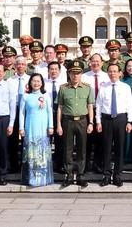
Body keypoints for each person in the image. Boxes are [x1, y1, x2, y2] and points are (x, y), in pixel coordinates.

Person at [56, 59, 94, 188]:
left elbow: (90, 106)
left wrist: (91, 123)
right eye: (73, 73)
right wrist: (59, 125)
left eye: (77, 73)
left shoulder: (87, 88)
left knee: (82, 149)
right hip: (67, 121)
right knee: (67, 149)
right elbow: (60, 108)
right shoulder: (63, 89)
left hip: (82, 121)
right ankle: (69, 175)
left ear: (81, 73)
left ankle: (80, 175)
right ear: (69, 73)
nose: (75, 75)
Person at [96, 63, 132, 187]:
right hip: (106, 120)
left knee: (120, 148)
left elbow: (130, 105)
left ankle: (117, 175)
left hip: (121, 119)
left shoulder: (125, 87)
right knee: (106, 148)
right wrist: (98, 121)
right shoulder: (104, 87)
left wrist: (129, 121)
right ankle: (106, 175)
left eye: (115, 71)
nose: (112, 74)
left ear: (120, 73)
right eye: (110, 71)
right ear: (107, 73)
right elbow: (99, 106)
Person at [18, 73, 54, 187]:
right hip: (30, 127)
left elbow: (49, 112)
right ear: (30, 82)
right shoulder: (25, 96)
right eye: (34, 81)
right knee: (31, 153)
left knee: (42, 152)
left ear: (42, 83)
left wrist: (51, 126)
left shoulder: (46, 95)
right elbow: (22, 113)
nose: (36, 83)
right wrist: (21, 128)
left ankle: (43, 179)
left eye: (38, 81)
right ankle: (31, 178)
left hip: (42, 128)